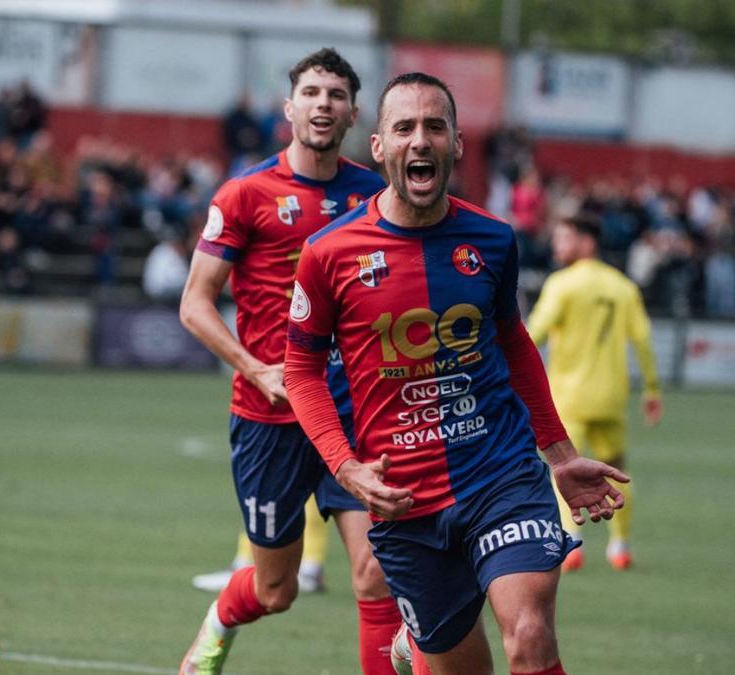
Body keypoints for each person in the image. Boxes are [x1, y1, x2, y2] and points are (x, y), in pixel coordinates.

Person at [284, 72, 629, 675]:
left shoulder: (492, 240)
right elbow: (302, 371)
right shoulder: (328, 253)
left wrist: (561, 455)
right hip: (404, 500)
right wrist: (346, 467)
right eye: (405, 128)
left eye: (435, 127)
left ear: (457, 144)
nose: (421, 140)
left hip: (500, 475)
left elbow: (514, 343)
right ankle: (416, 646)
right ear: (380, 147)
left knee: (529, 634)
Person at [178, 48, 397, 675]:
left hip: (354, 412)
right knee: (278, 590)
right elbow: (195, 305)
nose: (322, 104)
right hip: (269, 419)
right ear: (289, 107)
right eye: (311, 92)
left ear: (354, 113)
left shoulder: (373, 196)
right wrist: (254, 368)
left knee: (373, 573)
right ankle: (220, 620)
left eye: (334, 94)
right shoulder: (246, 193)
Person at [527, 213, 662, 572]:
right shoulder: (623, 287)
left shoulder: (562, 284)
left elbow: (533, 334)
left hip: (568, 397)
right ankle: (620, 546)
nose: (557, 245)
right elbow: (643, 340)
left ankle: (573, 543)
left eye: (565, 238)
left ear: (587, 242)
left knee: (564, 467)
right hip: (611, 398)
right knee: (617, 469)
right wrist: (652, 388)